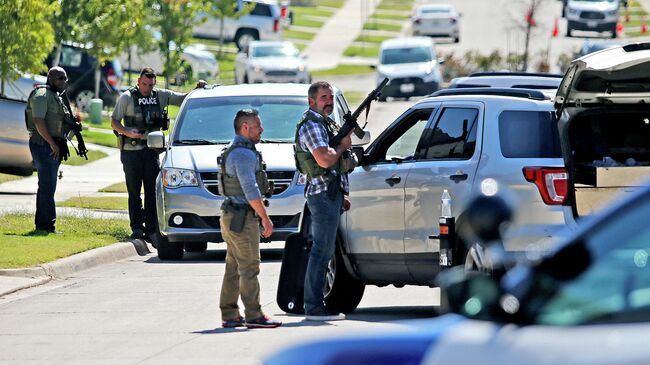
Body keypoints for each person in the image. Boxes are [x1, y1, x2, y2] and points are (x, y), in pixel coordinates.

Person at [111, 67, 206, 240]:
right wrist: (127, 132)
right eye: (144, 84)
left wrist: (197, 89)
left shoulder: (160, 95)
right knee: (134, 191)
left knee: (151, 191)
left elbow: (183, 99)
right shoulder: (127, 97)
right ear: (138, 81)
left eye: (151, 85)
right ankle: (137, 228)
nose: (147, 88)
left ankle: (152, 229)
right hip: (131, 152)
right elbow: (114, 121)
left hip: (151, 151)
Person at [295, 81, 356, 321]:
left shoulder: (323, 123)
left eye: (330, 97)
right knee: (322, 251)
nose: (328, 101)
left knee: (325, 250)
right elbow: (324, 160)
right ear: (312, 101)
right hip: (322, 195)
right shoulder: (311, 126)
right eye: (323, 98)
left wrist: (343, 193)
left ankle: (316, 304)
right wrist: (342, 145)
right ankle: (313, 306)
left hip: (331, 193)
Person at [219, 109, 281, 329]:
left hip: (230, 215)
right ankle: (254, 315)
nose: (262, 130)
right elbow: (251, 190)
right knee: (249, 267)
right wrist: (265, 218)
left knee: (233, 266)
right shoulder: (243, 154)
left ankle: (230, 314)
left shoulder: (233, 150)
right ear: (245, 127)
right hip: (242, 218)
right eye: (257, 126)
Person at [25, 66, 72, 233]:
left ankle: (46, 225)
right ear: (50, 78)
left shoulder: (56, 97)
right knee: (47, 187)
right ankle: (45, 226)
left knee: (49, 186)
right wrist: (52, 143)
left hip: (54, 146)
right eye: (60, 78)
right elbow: (38, 121)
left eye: (65, 78)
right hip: (43, 146)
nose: (64, 81)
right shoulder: (41, 95)